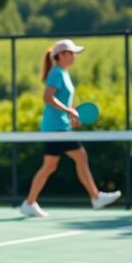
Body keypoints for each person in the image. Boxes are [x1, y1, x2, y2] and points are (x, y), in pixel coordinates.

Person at [20, 39, 121, 218]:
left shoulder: (63, 73)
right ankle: (95, 197)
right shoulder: (56, 73)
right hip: (55, 128)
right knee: (79, 156)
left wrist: (72, 115)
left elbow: (61, 102)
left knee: (50, 165)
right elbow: (47, 97)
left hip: (59, 126)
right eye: (71, 53)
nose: (74, 56)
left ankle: (29, 203)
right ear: (61, 55)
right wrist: (69, 111)